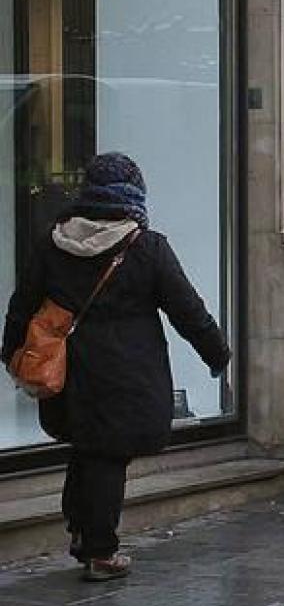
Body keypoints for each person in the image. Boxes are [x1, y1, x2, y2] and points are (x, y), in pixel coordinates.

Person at [3, 154, 229, 581]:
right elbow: (188, 310)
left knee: (87, 447)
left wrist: (13, 354)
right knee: (108, 456)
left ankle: (81, 530)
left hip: (69, 372)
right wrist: (217, 354)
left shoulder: (53, 242)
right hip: (127, 374)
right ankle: (100, 551)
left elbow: (23, 305)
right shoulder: (147, 247)